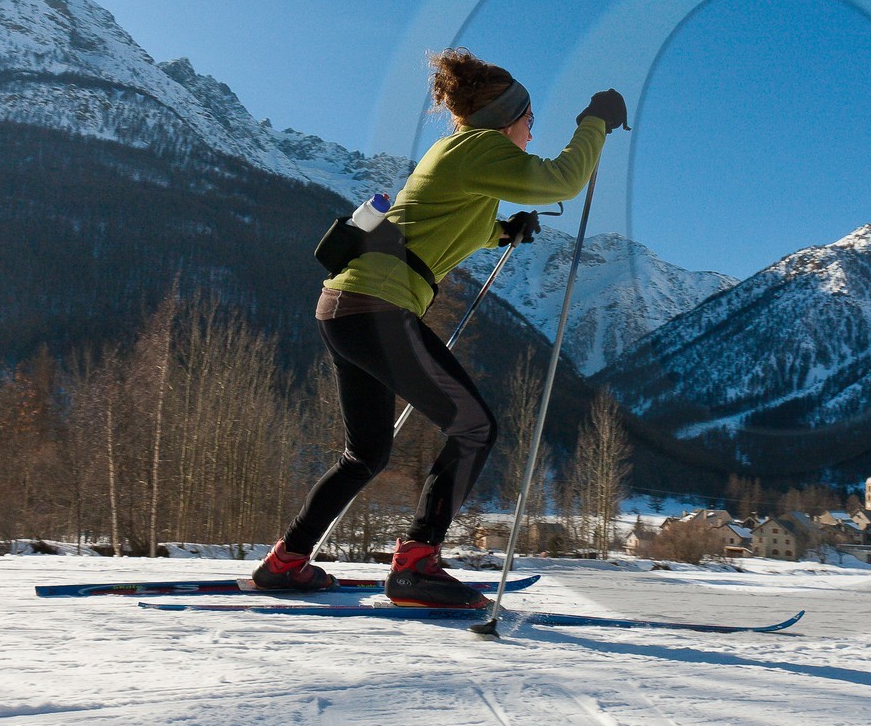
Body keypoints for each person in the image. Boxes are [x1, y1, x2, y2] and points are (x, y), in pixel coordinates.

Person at [252, 48, 627, 607]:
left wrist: (505, 231)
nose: (531, 130)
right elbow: (563, 179)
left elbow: (445, 227)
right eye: (530, 119)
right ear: (509, 118)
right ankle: (417, 565)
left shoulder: (458, 155)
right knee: (474, 428)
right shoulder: (481, 149)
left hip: (344, 307)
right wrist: (593, 120)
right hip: (377, 308)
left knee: (367, 453)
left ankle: (285, 562)